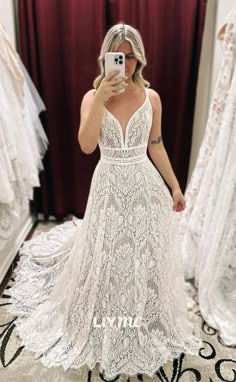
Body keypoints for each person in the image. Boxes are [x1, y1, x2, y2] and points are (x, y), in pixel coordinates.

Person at [7, 23, 202, 380]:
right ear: (105, 58)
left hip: (144, 186)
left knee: (143, 252)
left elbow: (155, 144)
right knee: (106, 251)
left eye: (130, 57)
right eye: (118, 56)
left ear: (139, 58)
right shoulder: (91, 97)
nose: (125, 64)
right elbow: (86, 145)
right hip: (109, 183)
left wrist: (174, 186)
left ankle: (144, 311)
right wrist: (100, 98)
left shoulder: (152, 98)